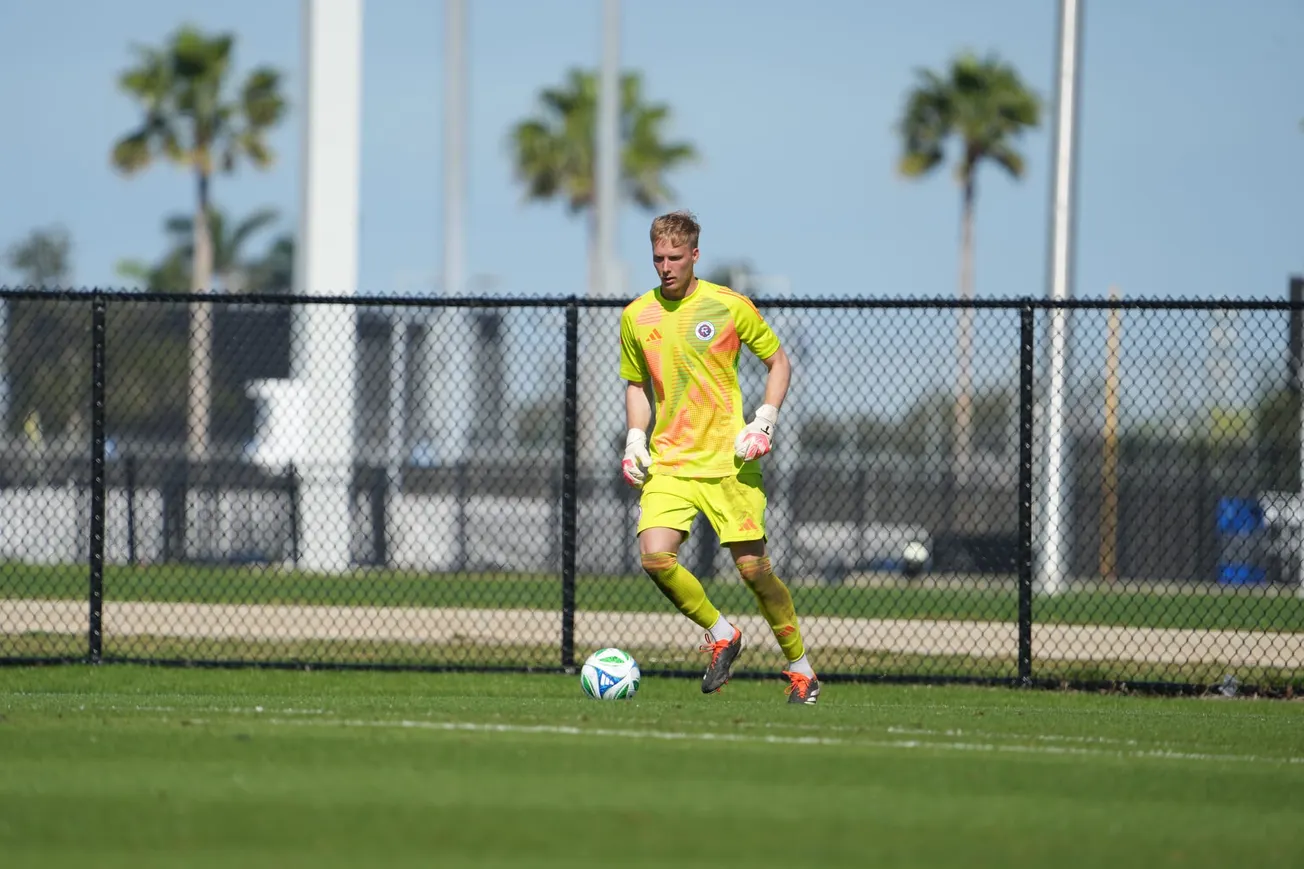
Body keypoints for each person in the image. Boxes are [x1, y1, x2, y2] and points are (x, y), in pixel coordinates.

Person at [617, 210, 821, 705]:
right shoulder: (635, 316)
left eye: (674, 258)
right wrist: (634, 438)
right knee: (654, 558)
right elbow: (636, 384)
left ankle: (800, 668)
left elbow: (778, 362)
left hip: (729, 462)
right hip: (671, 463)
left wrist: (765, 421)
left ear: (694, 256)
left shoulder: (728, 306)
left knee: (755, 572)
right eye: (657, 258)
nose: (665, 267)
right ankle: (722, 632)